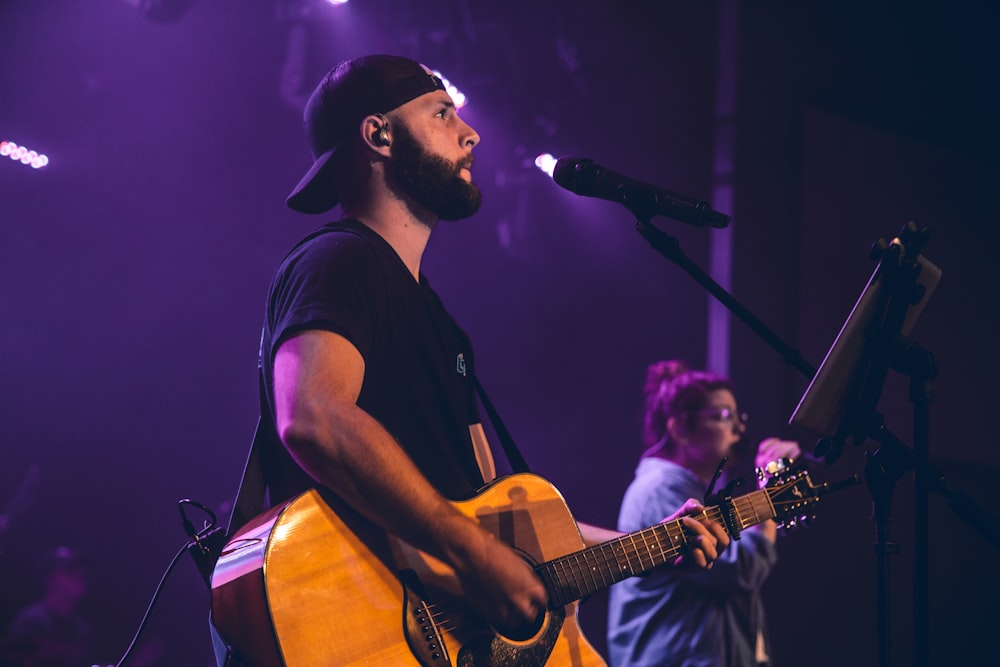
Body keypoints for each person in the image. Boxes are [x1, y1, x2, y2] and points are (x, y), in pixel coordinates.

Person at [214, 54, 729, 663]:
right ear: (378, 135)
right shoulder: (337, 261)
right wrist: (476, 556)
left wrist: (648, 545)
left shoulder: (442, 324)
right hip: (350, 622)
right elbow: (313, 417)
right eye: (441, 113)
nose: (471, 133)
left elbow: (489, 507)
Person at [607, 360, 801, 667]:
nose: (739, 429)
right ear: (680, 429)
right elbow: (739, 569)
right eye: (724, 416)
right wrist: (768, 499)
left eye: (739, 417)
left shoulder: (692, 491)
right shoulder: (660, 490)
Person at [0, 546, 93, 667]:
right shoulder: (31, 621)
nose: (80, 573)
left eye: (80, 569)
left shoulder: (82, 630)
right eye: (70, 569)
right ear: (50, 578)